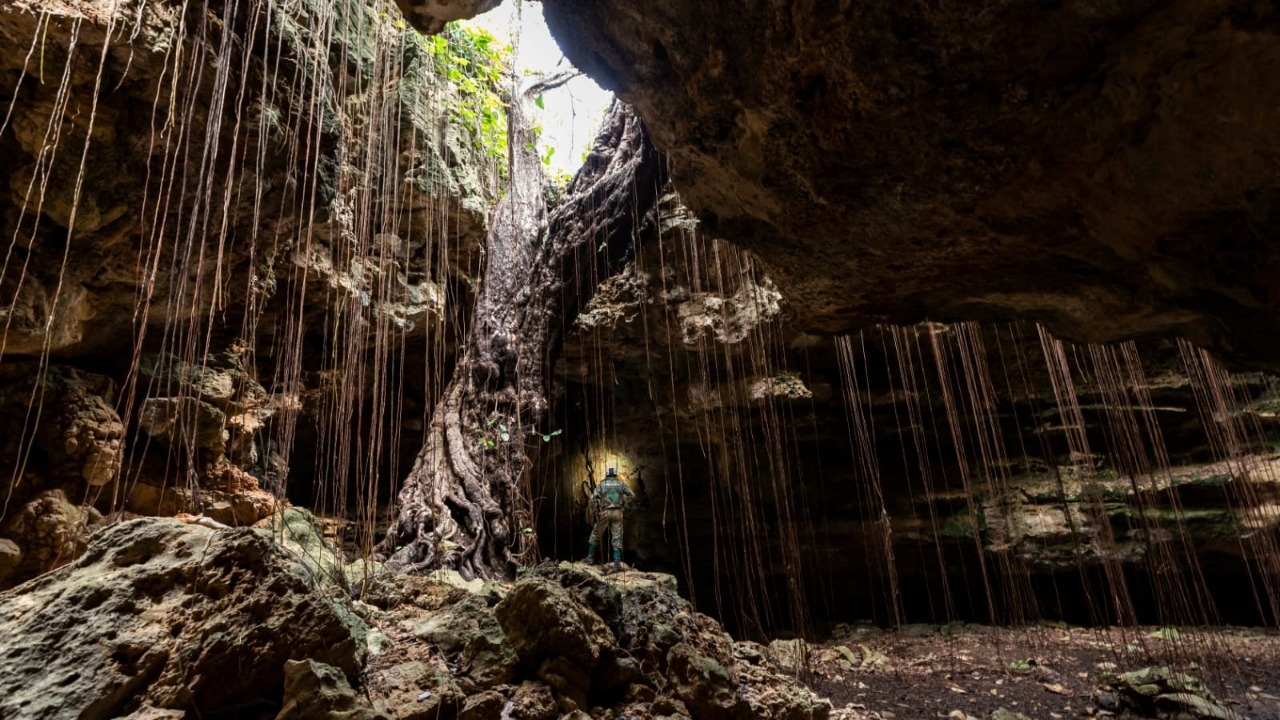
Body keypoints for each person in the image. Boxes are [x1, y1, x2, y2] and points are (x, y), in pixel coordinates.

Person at [583, 466, 635, 572]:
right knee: (617, 537)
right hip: (618, 512)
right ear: (615, 474)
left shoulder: (602, 484)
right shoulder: (621, 484)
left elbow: (593, 498)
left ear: (607, 474)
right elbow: (632, 495)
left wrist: (596, 510)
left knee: (596, 534)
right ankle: (617, 564)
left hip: (605, 511)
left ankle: (590, 558)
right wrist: (625, 507)